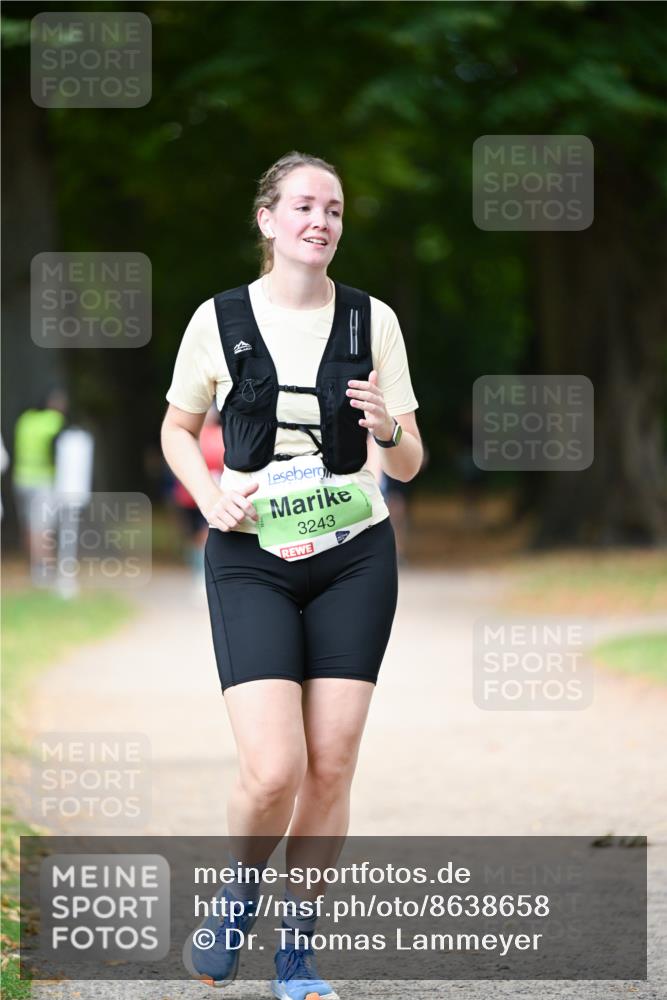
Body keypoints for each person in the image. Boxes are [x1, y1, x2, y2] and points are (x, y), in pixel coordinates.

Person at [161, 151, 422, 999]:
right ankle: (238, 894)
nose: (321, 220)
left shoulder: (370, 320)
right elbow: (175, 429)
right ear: (267, 220)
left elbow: (410, 462)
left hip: (354, 555)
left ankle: (297, 954)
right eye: (304, 206)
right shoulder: (219, 319)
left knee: (332, 765)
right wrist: (207, 495)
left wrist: (387, 430)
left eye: (335, 209)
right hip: (251, 558)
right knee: (274, 770)